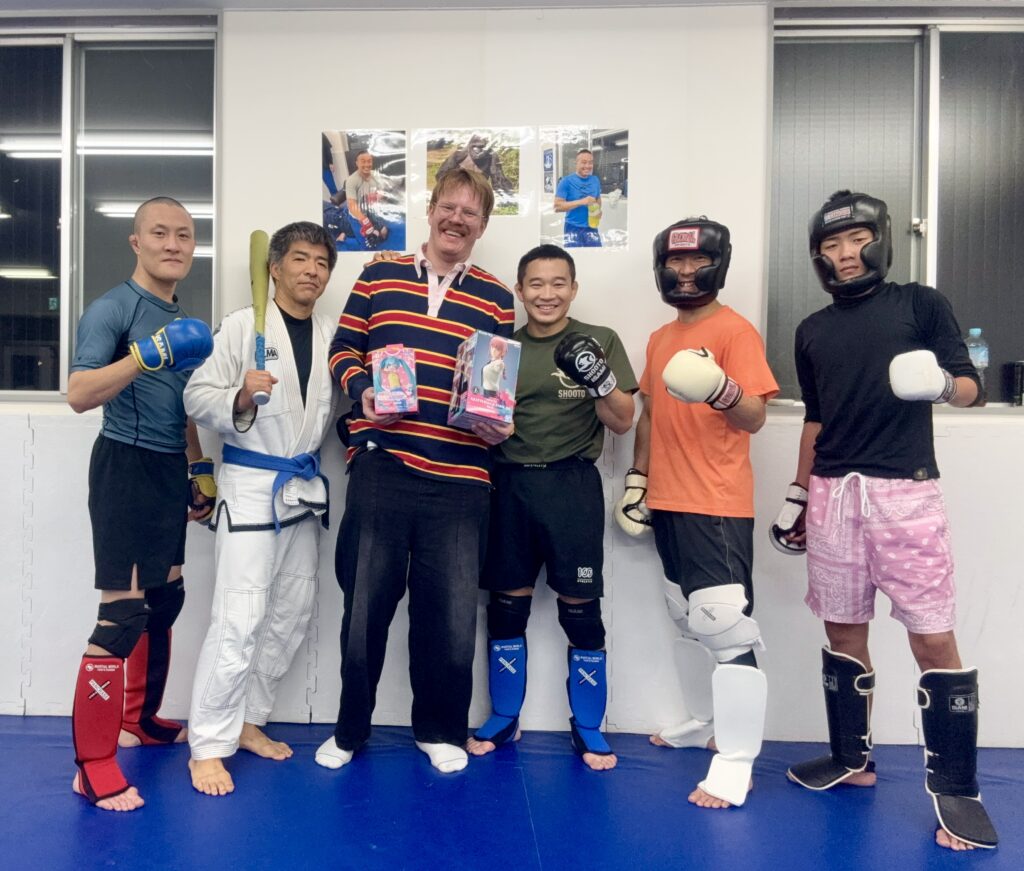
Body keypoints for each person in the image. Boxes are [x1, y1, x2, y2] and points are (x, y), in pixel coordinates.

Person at [774, 190, 998, 851]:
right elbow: (815, 417)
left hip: (906, 493)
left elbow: (972, 388)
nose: (845, 254)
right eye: (831, 245)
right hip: (832, 492)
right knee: (843, 630)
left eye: (857, 239)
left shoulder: (920, 304)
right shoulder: (811, 329)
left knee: (932, 638)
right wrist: (798, 494)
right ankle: (854, 757)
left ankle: (958, 788)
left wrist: (941, 385)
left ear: (881, 240)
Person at [316, 168, 514, 774]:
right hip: (383, 464)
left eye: (471, 212)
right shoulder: (377, 275)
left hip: (463, 478)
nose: (457, 219)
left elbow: (494, 385)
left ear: (483, 225)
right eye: (449, 207)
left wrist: (497, 423)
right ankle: (351, 729)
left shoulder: (497, 298)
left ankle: (440, 729)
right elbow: (343, 349)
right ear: (430, 210)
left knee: (450, 616)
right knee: (364, 609)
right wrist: (361, 389)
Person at [617, 217, 778, 809]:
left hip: (716, 503)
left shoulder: (735, 331)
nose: (685, 272)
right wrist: (637, 479)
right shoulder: (660, 337)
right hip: (667, 500)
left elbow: (755, 416)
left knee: (725, 625)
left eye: (697, 261)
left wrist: (720, 389)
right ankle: (707, 722)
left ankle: (736, 762)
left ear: (718, 264)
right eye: (675, 262)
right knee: (690, 621)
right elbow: (651, 415)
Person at [66, 196, 214, 812]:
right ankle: (94, 765)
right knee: (122, 615)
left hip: (166, 468)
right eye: (160, 233)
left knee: (165, 599)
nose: (173, 244)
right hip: (124, 465)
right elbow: (78, 393)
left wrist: (198, 468)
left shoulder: (184, 318)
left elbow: (181, 407)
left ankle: (140, 720)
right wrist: (141, 354)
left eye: (184, 235)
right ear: (136, 242)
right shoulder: (113, 309)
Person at [465, 244, 636, 771]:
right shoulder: (501, 349)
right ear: (520, 291)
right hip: (510, 484)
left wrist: (599, 378)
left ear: (574, 288)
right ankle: (504, 717)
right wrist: (488, 425)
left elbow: (623, 420)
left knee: (581, 608)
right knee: (506, 605)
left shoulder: (600, 340)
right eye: (535, 284)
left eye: (558, 283)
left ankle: (587, 726)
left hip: (571, 485)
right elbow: (478, 423)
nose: (547, 294)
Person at [183, 222, 339, 797]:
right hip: (251, 487)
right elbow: (194, 396)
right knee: (240, 617)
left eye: (321, 262)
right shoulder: (240, 326)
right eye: (300, 259)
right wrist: (241, 395)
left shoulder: (329, 333)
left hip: (302, 489)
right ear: (273, 268)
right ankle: (208, 744)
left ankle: (249, 719)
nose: (311, 271)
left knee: (291, 613)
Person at [437, 134, 513, 197]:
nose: (478, 151)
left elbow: (499, 181)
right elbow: (441, 174)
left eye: (481, 147)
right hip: (458, 190)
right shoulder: (460, 154)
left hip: (478, 194)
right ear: (470, 145)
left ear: (486, 147)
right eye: (475, 147)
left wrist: (507, 197)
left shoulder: (491, 157)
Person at [554, 149, 602, 248]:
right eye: (584, 162)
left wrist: (598, 210)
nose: (587, 166)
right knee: (574, 256)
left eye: (590, 162)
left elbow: (598, 198)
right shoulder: (566, 181)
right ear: (576, 163)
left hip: (592, 227)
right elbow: (557, 207)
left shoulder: (595, 180)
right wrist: (582, 201)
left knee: (596, 255)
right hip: (573, 228)